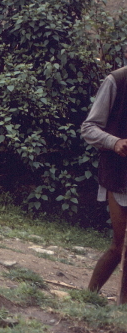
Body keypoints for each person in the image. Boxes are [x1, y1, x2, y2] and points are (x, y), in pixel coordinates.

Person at [81, 65, 127, 303]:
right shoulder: (116, 81)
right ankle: (88, 298)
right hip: (120, 177)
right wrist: (115, 142)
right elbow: (88, 129)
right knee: (120, 247)